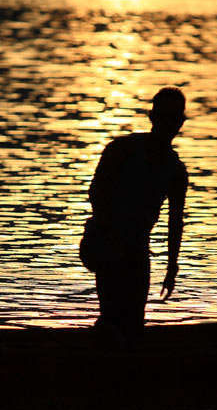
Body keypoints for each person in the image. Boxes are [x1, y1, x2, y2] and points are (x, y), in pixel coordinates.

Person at [80, 86, 188, 338]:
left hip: (137, 248)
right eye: (163, 116)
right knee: (113, 317)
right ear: (152, 117)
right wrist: (111, 234)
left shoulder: (176, 170)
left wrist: (172, 266)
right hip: (105, 242)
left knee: (133, 324)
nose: (168, 124)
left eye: (174, 118)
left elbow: (175, 221)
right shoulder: (121, 149)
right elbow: (96, 193)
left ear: (181, 122)